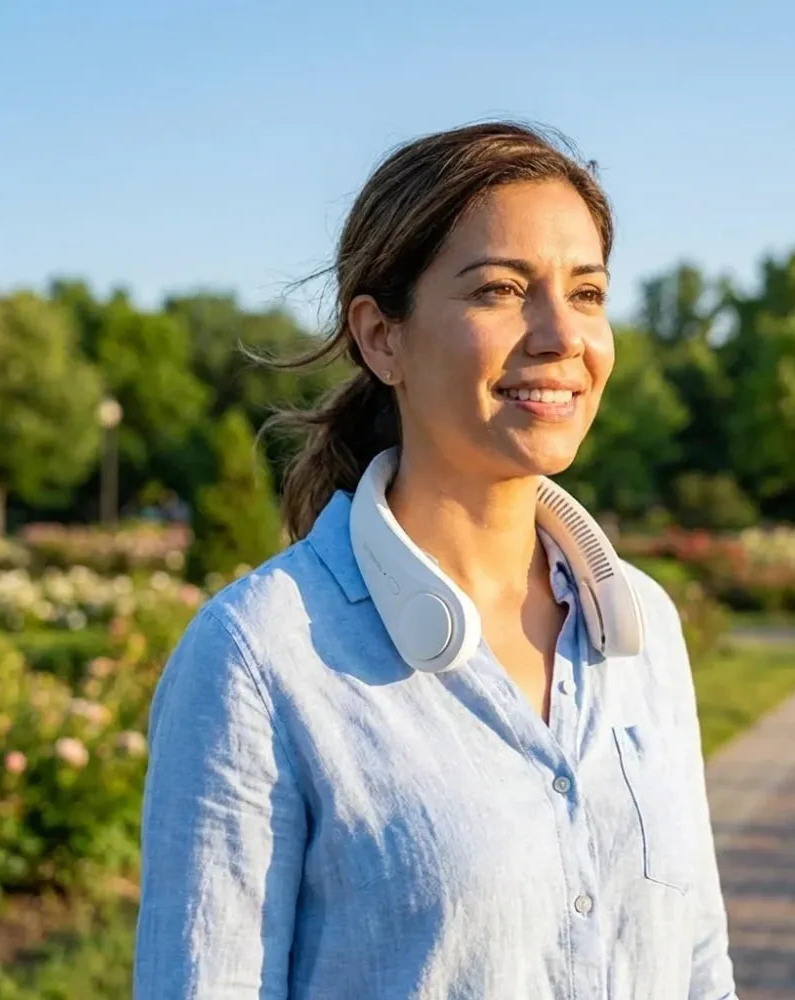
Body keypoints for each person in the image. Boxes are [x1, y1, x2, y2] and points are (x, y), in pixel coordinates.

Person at [133, 121, 739, 999]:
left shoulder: (642, 628)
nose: (561, 335)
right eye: (500, 289)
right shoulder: (260, 659)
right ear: (382, 338)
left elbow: (699, 967)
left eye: (589, 292)